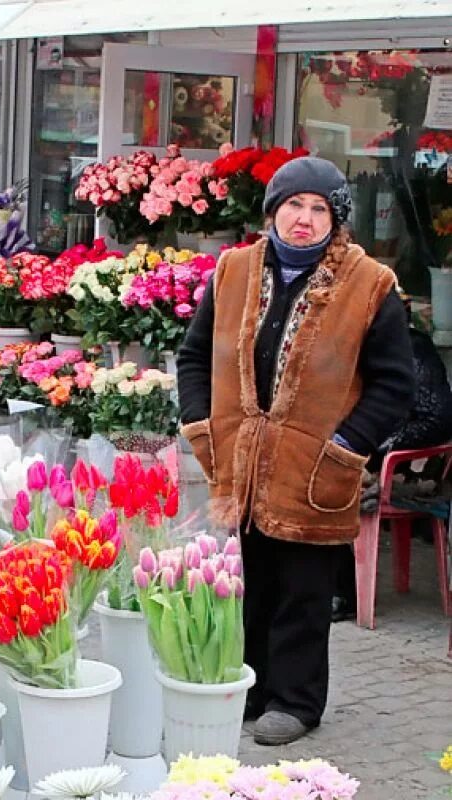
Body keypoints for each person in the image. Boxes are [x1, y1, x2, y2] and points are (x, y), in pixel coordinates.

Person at [176, 157, 415, 746]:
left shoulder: (369, 285)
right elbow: (193, 356)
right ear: (273, 211)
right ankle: (253, 688)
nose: (304, 220)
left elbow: (393, 385)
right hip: (244, 464)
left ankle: (296, 700)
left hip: (316, 469)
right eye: (294, 206)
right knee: (251, 583)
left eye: (319, 209)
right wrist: (201, 423)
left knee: (304, 590)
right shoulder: (233, 271)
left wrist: (346, 444)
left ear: (336, 220)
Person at [331, 316, 452, 621]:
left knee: (334, 482)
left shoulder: (410, 349)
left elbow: (435, 418)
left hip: (410, 467)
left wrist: (374, 447)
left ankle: (344, 594)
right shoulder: (373, 345)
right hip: (383, 454)